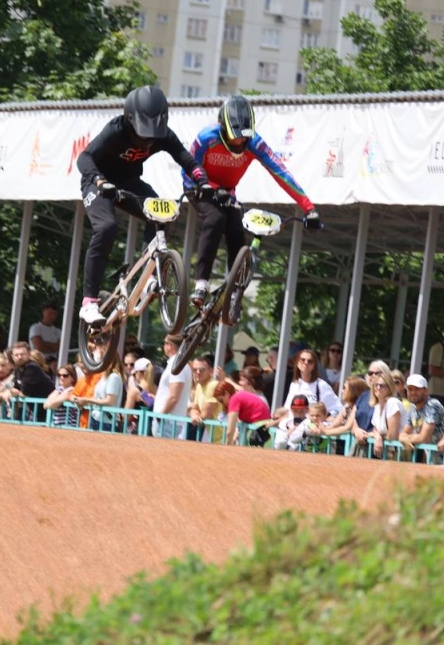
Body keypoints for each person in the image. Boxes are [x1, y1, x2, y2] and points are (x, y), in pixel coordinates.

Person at [76, 85, 211, 324]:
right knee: (107, 227)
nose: (146, 141)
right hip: (98, 183)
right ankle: (89, 302)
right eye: (141, 135)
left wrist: (202, 180)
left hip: (128, 183)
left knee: (162, 213)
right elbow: (84, 157)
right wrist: (99, 180)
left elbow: (185, 158)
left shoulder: (163, 135)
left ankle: (147, 275)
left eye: (151, 136)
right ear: (129, 120)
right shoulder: (115, 131)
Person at [182, 94, 322, 307]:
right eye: (235, 137)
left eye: (244, 137)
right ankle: (201, 282)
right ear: (223, 128)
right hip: (198, 187)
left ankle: (233, 290)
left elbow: (281, 173)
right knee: (215, 219)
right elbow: (189, 171)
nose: (240, 142)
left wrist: (309, 209)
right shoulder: (206, 138)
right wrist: (211, 188)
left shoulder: (254, 142)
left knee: (237, 233)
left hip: (227, 192)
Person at [398, 374, 444, 464]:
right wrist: (403, 438)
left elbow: (423, 438)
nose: (413, 392)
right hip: (433, 459)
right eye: (410, 389)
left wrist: (406, 438)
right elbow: (402, 434)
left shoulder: (432, 405)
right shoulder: (412, 408)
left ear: (426, 391)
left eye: (417, 389)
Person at [283, 348, 341, 416]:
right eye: (302, 360)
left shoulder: (321, 385)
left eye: (310, 361)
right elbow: (287, 409)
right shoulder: (294, 384)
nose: (306, 363)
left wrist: (327, 421)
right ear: (297, 363)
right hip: (293, 424)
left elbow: (337, 409)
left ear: (314, 366)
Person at [155, 333, 192, 439]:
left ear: (169, 345)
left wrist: (160, 415)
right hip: (167, 421)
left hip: (167, 422)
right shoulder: (177, 364)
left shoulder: (178, 366)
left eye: (164, 343)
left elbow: (174, 397)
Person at [187, 356, 219, 443]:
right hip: (209, 434)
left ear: (210, 371)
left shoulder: (212, 385)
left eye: (202, 370)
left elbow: (205, 415)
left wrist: (194, 415)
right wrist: (194, 414)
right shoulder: (199, 386)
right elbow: (195, 408)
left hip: (220, 437)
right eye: (194, 370)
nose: (197, 372)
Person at [44, 363, 80, 428]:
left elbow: (51, 405)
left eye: (65, 375)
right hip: (57, 425)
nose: (61, 377)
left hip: (69, 426)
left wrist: (54, 400)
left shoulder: (72, 390)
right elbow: (46, 405)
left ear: (72, 378)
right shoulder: (60, 389)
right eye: (59, 375)